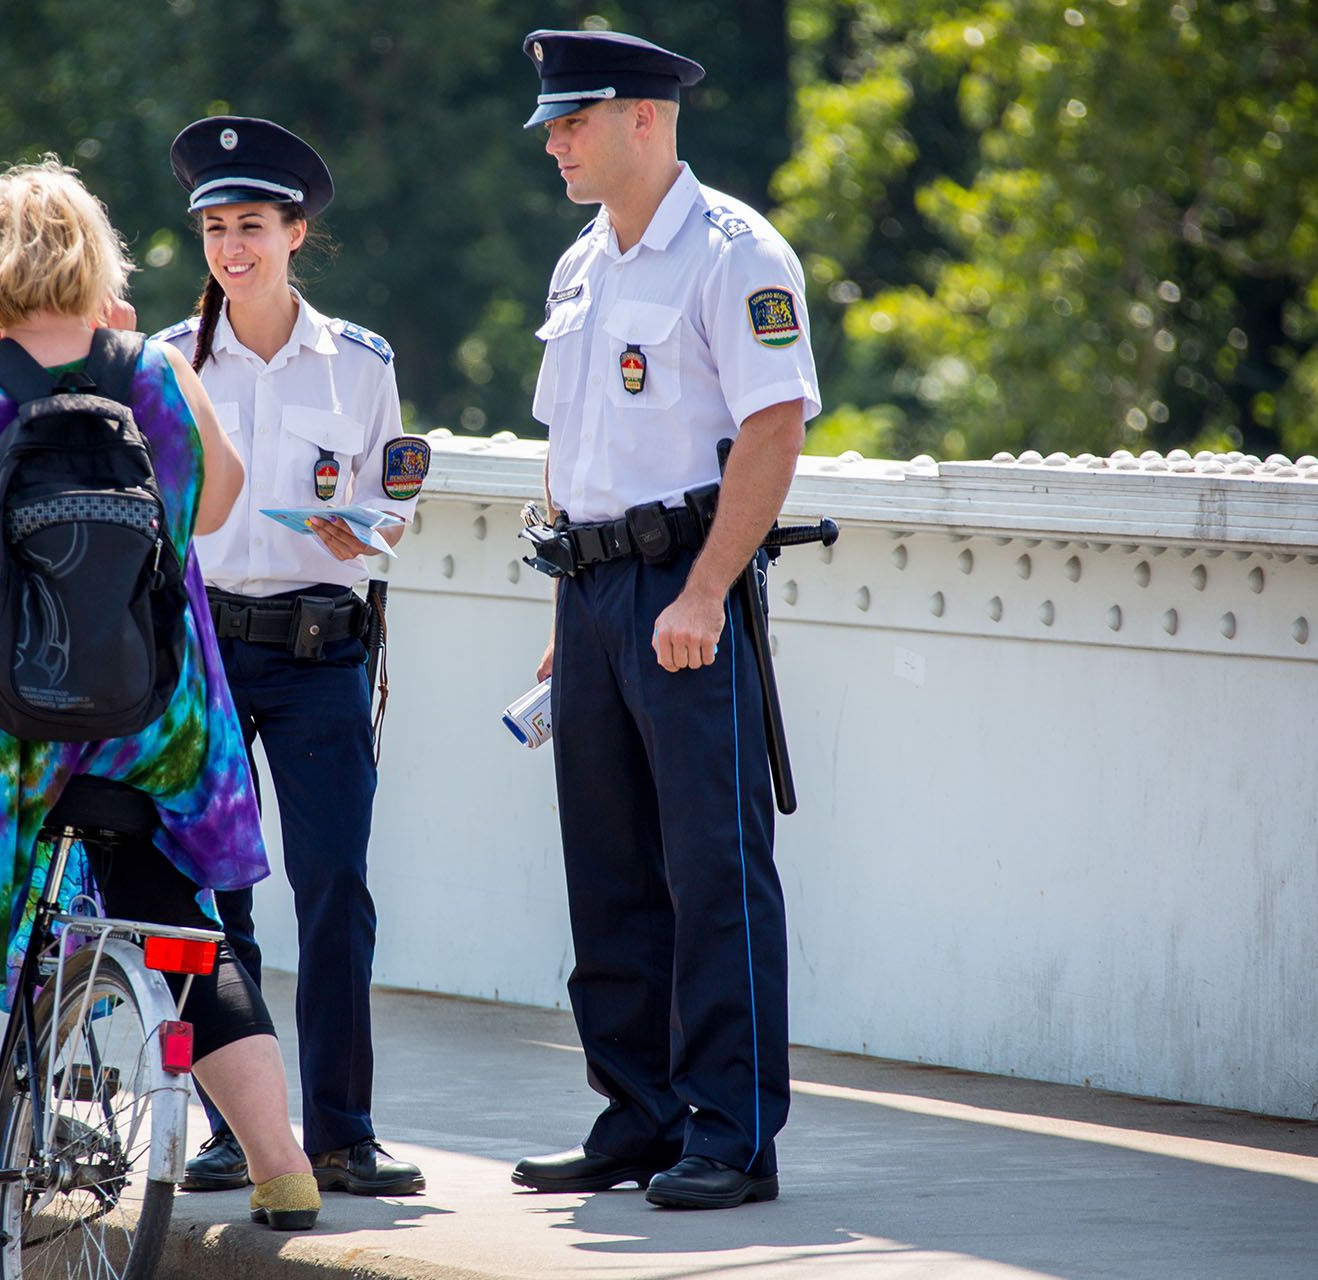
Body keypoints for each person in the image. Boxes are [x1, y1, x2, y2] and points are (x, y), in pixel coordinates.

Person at [0, 158, 321, 1280]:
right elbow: (217, 504)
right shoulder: (161, 377)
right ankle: (284, 1164)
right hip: (147, 717)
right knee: (175, 918)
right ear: (98, 261)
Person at [507, 31, 822, 1210]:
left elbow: (775, 426)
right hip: (592, 593)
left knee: (712, 866)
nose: (554, 142)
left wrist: (703, 589)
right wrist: (565, 609)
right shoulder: (581, 264)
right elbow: (569, 451)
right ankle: (636, 1114)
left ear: (644, 116)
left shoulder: (735, 253)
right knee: (608, 870)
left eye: (572, 121)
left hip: (686, 586)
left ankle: (732, 1132)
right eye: (552, 125)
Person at [150, 116, 428, 1198]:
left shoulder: (360, 363)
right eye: (216, 228)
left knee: (335, 889)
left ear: (296, 233)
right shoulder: (168, 363)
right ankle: (236, 1128)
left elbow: (391, 496)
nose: (233, 248)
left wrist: (368, 532)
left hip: (320, 653)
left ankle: (344, 1131)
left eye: (253, 226)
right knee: (212, 894)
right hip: (204, 653)